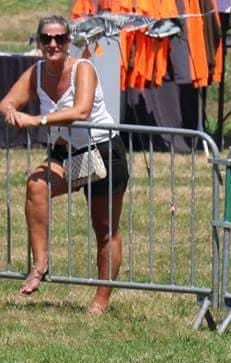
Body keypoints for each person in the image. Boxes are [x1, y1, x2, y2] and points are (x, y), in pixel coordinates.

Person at [1, 15, 129, 315]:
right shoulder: (36, 72)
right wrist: (12, 113)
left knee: (105, 228)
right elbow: (7, 101)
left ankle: (101, 299)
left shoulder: (83, 68)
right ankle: (40, 264)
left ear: (69, 42)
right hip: (65, 154)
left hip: (103, 151)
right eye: (46, 39)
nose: (53, 44)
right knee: (36, 185)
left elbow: (82, 110)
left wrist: (38, 119)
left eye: (60, 38)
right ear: (38, 42)